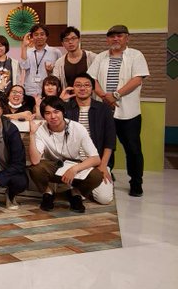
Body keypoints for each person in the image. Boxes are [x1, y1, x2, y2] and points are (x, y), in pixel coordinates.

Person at [88, 24, 149, 197]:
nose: (115, 39)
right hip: (104, 110)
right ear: (107, 39)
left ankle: (136, 182)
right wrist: (104, 96)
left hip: (128, 112)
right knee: (106, 145)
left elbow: (137, 79)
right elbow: (92, 79)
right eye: (112, 36)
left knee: (133, 148)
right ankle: (107, 174)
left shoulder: (136, 55)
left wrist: (115, 95)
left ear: (127, 38)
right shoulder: (101, 57)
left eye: (119, 36)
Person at [27, 96, 104, 213]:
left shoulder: (77, 128)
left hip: (74, 165)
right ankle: (48, 193)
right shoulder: (41, 129)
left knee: (97, 176)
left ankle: (75, 193)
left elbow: (96, 159)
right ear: (43, 116)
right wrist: (32, 134)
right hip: (53, 165)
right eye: (48, 113)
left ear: (63, 112)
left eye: (56, 112)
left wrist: (74, 169)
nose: (53, 116)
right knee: (35, 168)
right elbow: (35, 160)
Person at [65, 73, 116, 205]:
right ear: (73, 88)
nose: (82, 88)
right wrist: (60, 101)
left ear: (92, 89)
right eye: (78, 85)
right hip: (73, 160)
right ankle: (80, 186)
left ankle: (80, 187)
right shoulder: (66, 108)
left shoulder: (103, 109)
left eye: (86, 85)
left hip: (96, 161)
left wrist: (103, 166)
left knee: (104, 199)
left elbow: (110, 141)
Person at [20, 24, 60, 97]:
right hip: (30, 90)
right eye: (36, 34)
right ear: (32, 37)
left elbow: (59, 72)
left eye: (42, 34)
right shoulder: (27, 52)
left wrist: (50, 71)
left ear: (46, 36)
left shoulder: (55, 52)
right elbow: (24, 66)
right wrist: (24, 46)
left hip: (48, 90)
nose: (39, 37)